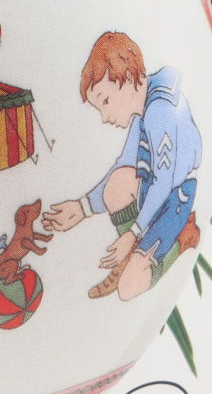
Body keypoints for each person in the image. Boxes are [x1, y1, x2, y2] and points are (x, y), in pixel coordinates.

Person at [42, 33, 201, 301]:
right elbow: (125, 164)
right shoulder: (141, 114)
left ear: (128, 79)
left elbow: (164, 183)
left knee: (128, 290)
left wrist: (132, 234)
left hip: (176, 198)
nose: (105, 117)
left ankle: (181, 239)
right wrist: (82, 208)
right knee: (118, 182)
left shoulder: (160, 111)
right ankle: (131, 255)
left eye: (106, 101)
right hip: (153, 190)